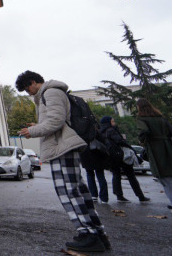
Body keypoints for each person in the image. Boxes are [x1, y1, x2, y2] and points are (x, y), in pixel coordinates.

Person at [16, 70, 109, 253]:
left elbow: (56, 121)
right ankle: (97, 233)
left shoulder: (50, 92)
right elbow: (58, 120)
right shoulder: (53, 92)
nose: (28, 93)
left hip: (62, 147)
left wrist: (32, 132)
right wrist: (38, 126)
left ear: (33, 82)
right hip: (64, 145)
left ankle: (88, 234)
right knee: (79, 190)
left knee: (68, 191)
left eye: (27, 89)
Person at [135, 98, 172, 213]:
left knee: (167, 181)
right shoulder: (160, 118)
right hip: (169, 149)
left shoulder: (142, 119)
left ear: (139, 107)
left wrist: (143, 141)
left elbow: (144, 132)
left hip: (156, 151)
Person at [99, 116, 150, 203]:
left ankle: (119, 195)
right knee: (131, 176)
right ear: (108, 122)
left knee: (116, 175)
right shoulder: (111, 130)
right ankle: (140, 196)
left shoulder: (101, 132)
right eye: (112, 121)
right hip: (121, 155)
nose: (114, 122)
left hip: (111, 157)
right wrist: (128, 146)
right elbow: (119, 141)